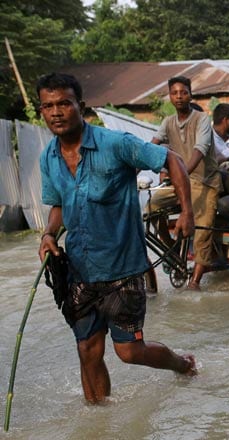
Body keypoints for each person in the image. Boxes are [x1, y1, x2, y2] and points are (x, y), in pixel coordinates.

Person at [37, 73, 197, 404]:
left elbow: (172, 160)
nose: (56, 112)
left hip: (122, 268)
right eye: (48, 106)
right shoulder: (48, 158)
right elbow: (57, 205)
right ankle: (100, 419)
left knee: (128, 351)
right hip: (79, 271)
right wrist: (49, 234)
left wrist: (186, 212)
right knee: (87, 350)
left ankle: (182, 364)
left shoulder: (115, 144)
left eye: (64, 103)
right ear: (41, 111)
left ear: (80, 107)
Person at [151, 76, 221, 290]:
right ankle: (173, 252)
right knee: (151, 208)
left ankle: (195, 282)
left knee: (202, 226)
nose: (179, 96)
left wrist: (182, 173)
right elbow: (152, 147)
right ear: (170, 96)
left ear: (190, 95)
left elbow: (200, 149)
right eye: (175, 93)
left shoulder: (201, 119)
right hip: (180, 181)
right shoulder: (167, 122)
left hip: (205, 180)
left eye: (183, 92)